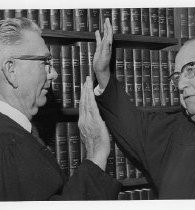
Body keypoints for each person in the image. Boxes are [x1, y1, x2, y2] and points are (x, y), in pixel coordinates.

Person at [80, 18, 195, 199]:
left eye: (190, 70)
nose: (180, 84)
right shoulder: (173, 129)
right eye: (177, 77)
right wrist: (102, 73)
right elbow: (133, 125)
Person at [0, 17, 121, 201]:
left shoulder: (16, 134)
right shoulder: (7, 146)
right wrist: (97, 153)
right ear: (11, 70)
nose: (54, 74)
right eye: (44, 62)